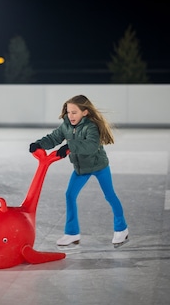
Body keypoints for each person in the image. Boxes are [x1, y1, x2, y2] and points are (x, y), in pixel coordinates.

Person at [28, 95, 128, 247]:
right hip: (81, 169)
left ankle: (121, 229)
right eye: (68, 112)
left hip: (99, 166)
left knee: (109, 195)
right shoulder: (66, 126)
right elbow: (54, 138)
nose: (70, 116)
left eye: (74, 112)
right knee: (70, 195)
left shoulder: (91, 127)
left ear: (85, 112)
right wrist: (39, 144)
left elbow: (91, 146)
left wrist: (69, 146)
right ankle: (72, 233)